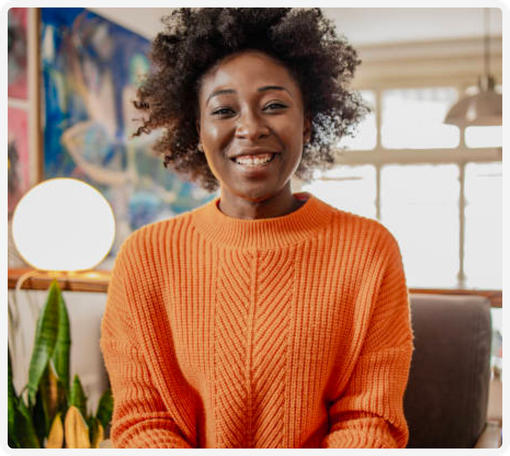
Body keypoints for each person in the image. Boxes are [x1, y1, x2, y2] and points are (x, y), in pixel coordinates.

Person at [100, 8, 414, 449]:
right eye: (224, 109)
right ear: (198, 129)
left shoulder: (368, 249)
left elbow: (370, 420)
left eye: (274, 106)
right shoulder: (146, 256)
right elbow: (142, 422)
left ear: (308, 120)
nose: (249, 127)